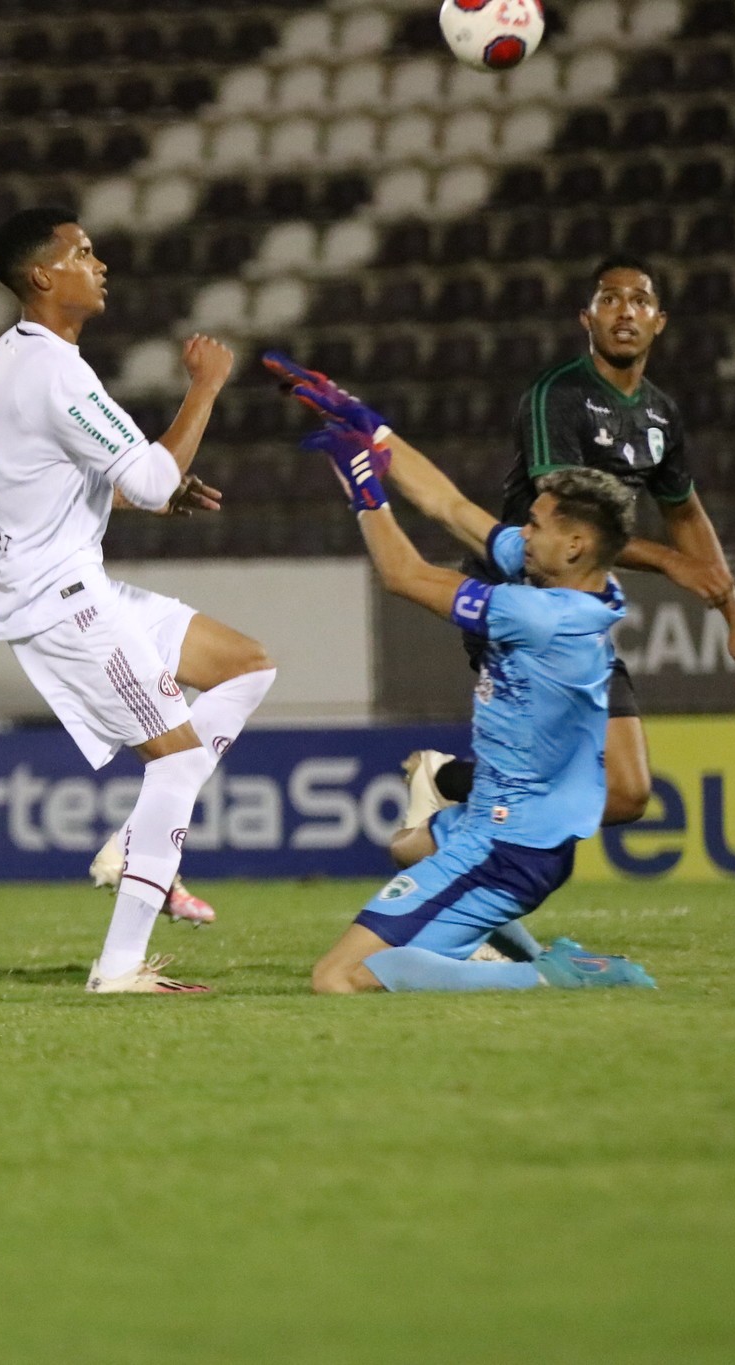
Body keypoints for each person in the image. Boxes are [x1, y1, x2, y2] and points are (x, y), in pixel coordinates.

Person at [314, 258, 735, 846]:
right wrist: (366, 461)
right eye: (610, 299)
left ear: (660, 321)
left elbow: (684, 512)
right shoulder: (557, 399)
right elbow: (559, 524)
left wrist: (734, 613)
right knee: (540, 796)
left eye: (639, 300)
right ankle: (448, 846)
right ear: (587, 318)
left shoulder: (660, 415)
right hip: (521, 601)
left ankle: (448, 793)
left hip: (576, 617)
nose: (625, 310)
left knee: (625, 794)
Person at [274, 367, 656, 994]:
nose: (520, 534)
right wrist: (367, 423)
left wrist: (364, 488)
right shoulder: (575, 582)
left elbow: (404, 574)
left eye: (535, 525)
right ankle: (518, 950)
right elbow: (450, 506)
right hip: (505, 829)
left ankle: (546, 977)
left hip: (505, 846)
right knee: (408, 846)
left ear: (577, 544)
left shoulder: (539, 613)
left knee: (339, 977)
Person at [0, 207, 277, 994]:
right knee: (175, 762)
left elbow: (67, 480)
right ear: (42, 275)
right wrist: (205, 388)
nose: (99, 263)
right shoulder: (54, 370)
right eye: (81, 253)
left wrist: (145, 488)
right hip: (59, 599)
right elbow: (149, 477)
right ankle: (118, 967)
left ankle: (135, 842)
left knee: (247, 667)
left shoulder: (17, 357)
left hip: (73, 579)